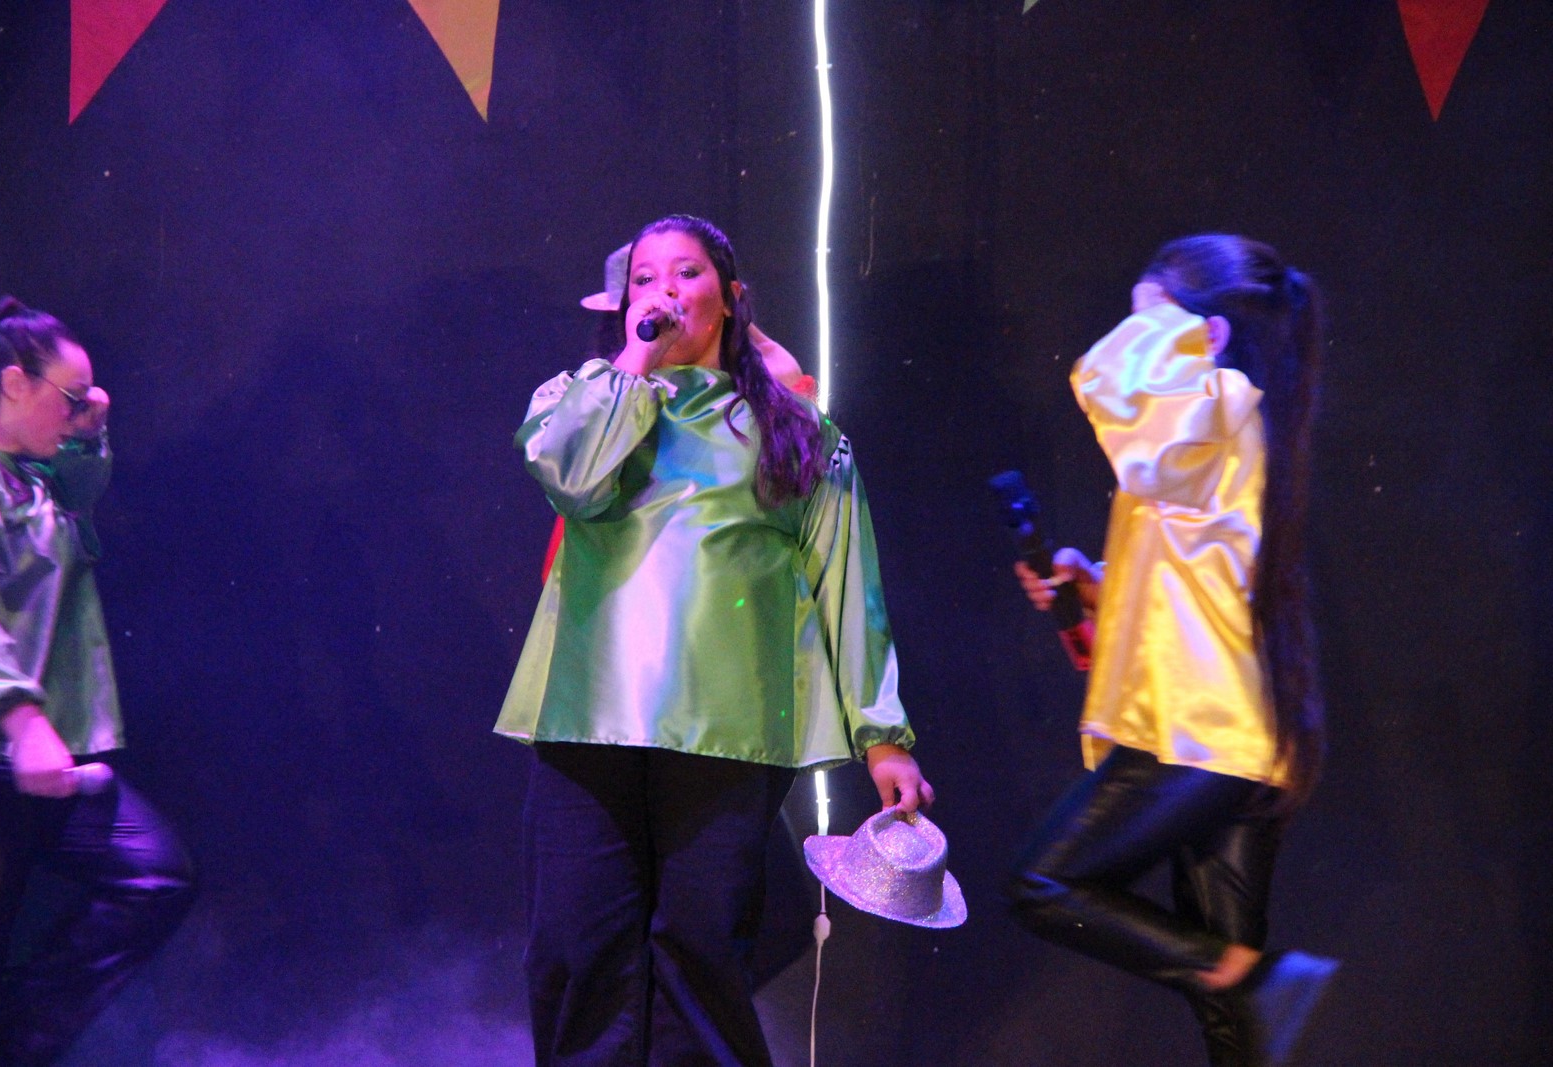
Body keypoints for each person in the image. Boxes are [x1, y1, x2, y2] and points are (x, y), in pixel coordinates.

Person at [497, 214, 931, 1066]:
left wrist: (883, 735)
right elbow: (572, 478)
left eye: (686, 273)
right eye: (645, 279)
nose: (662, 291)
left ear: (730, 298)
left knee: (699, 957)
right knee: (575, 950)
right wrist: (634, 365)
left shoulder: (794, 429)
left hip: (727, 728)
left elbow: (848, 584)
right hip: (588, 719)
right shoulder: (582, 399)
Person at [1005, 235, 1338, 1067]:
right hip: (1232, 736)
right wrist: (1092, 585)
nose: (1131, 337)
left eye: (1144, 321)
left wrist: (1154, 330)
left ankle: (1252, 973)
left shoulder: (1215, 404)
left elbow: (1117, 392)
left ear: (1207, 335)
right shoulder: (1215, 424)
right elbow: (1196, 575)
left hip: (1199, 729)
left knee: (1045, 881)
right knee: (1233, 1026)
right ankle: (1246, 979)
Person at [0, 298, 195, 1067]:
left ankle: (17, 1045)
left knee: (153, 873)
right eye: (70, 396)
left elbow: (86, 483)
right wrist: (21, 720)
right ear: (14, 383)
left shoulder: (40, 483)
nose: (83, 410)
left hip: (34, 766)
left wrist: (88, 424)